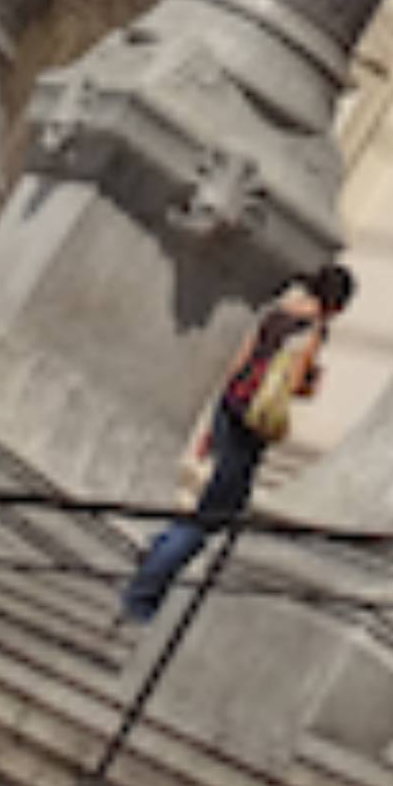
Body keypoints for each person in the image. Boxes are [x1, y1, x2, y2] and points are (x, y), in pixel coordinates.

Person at [116, 265, 355, 624]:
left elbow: (239, 362)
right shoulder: (314, 329)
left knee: (213, 506)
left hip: (230, 407)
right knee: (209, 519)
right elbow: (292, 383)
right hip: (252, 425)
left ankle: (158, 550)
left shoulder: (276, 311)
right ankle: (143, 594)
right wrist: (310, 382)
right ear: (337, 303)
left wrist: (211, 423)